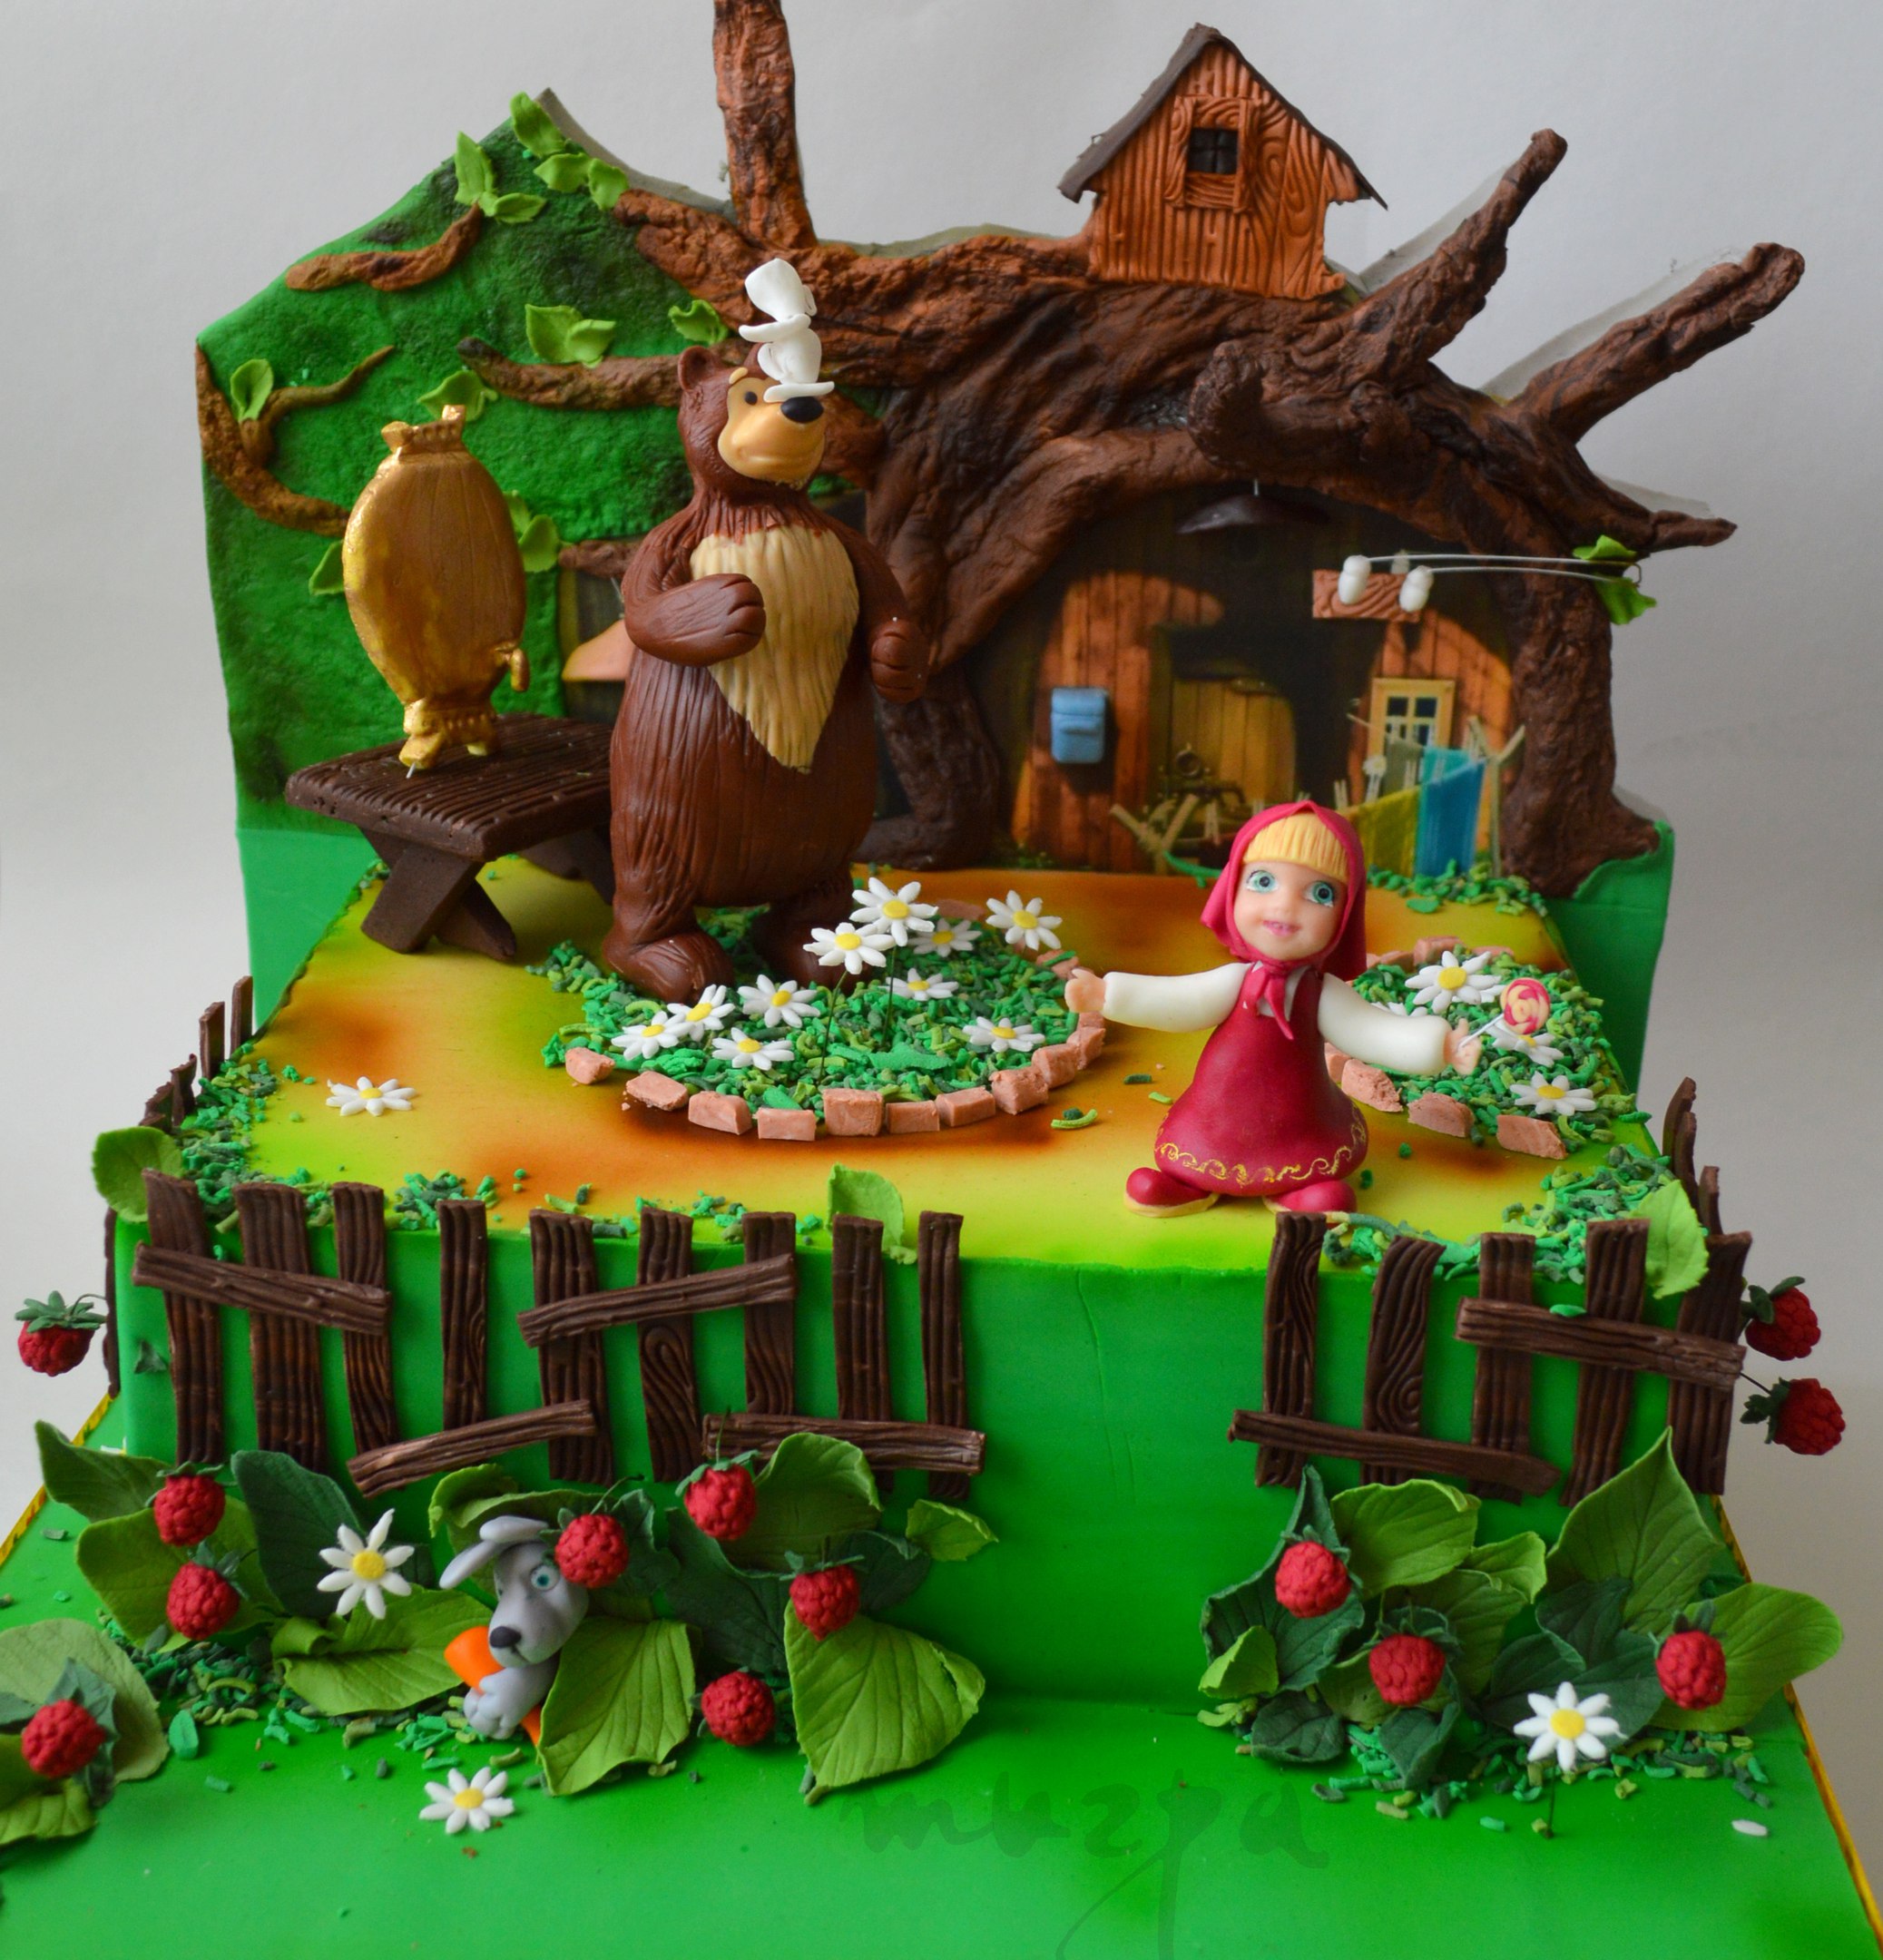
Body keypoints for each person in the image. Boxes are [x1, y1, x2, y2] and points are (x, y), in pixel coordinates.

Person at [1064, 799, 1478, 1216]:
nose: (1284, 907)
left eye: (1320, 893)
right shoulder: (1233, 980)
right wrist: (1109, 995)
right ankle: (1189, 1180)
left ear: (1345, 915)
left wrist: (1439, 1046)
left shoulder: (1322, 994)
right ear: (1232, 888)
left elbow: (1371, 1031)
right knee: (1205, 1138)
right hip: (1219, 1106)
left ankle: (1296, 1187)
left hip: (1298, 1114)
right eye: (1263, 881)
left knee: (1305, 1157)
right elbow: (1180, 1000)